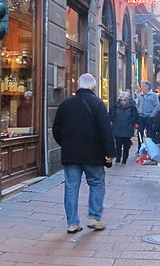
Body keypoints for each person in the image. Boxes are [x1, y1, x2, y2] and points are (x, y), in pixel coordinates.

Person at [52, 73, 115, 234]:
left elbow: (56, 130)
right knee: (96, 183)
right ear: (93, 87)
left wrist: (66, 144)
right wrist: (109, 152)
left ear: (78, 86)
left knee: (71, 187)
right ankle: (94, 217)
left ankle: (72, 223)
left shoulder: (66, 104)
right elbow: (105, 130)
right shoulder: (98, 104)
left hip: (71, 154)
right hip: (93, 155)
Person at [108, 92, 138, 164]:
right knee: (118, 144)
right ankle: (118, 158)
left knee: (126, 145)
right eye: (121, 100)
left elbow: (135, 117)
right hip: (118, 128)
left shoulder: (131, 108)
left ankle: (124, 159)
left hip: (128, 128)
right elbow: (111, 116)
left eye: (125, 100)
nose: (123, 102)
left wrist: (134, 124)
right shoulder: (115, 107)